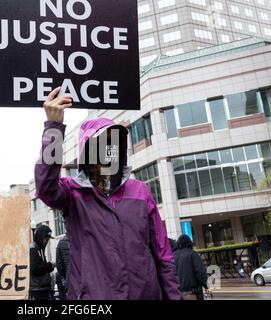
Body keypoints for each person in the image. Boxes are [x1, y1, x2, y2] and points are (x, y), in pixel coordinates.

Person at [34, 87, 182, 300]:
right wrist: (54, 130)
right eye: (99, 143)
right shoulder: (73, 192)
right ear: (87, 151)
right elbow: (45, 187)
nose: (107, 150)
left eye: (112, 142)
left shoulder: (140, 192)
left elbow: (163, 254)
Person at [173, 234, 208, 300]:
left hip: (176, 294)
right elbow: (200, 273)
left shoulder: (173, 255)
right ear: (190, 243)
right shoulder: (193, 254)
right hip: (191, 292)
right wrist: (205, 284)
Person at [29, 225, 55, 300]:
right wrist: (48, 265)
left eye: (48, 239)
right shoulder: (33, 249)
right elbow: (35, 268)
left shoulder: (40, 249)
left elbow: (41, 267)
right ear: (41, 237)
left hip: (42, 288)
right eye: (46, 239)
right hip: (37, 289)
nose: (47, 242)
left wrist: (49, 268)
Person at [55, 233, 70, 299]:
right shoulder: (83, 239)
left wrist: (65, 275)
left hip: (69, 278)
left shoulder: (61, 243)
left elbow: (59, 264)